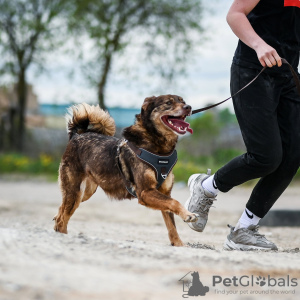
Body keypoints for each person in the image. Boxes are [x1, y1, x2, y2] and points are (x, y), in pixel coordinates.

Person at [185, 0, 300, 251]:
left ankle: (244, 230)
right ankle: (206, 187)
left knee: (292, 156)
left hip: (288, 75)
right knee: (266, 156)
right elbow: (235, 14)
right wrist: (259, 45)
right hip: (252, 71)